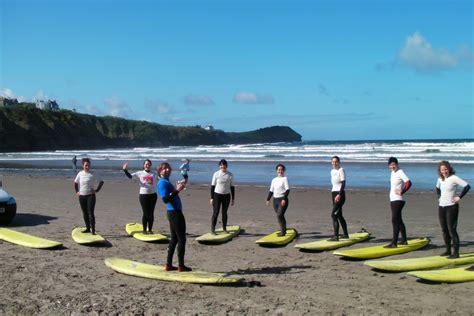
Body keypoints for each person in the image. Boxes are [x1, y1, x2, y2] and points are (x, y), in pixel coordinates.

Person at [157, 162, 191, 272]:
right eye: (164, 168)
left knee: (174, 239)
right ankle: (181, 266)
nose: (167, 170)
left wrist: (177, 187)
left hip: (173, 213)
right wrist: (177, 190)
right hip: (175, 213)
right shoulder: (162, 183)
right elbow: (165, 199)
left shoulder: (166, 181)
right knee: (181, 239)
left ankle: (168, 265)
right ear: (160, 171)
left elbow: (172, 194)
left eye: (168, 168)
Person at [436, 160, 470, 259]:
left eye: (446, 169)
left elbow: (467, 186)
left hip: (452, 207)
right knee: (444, 230)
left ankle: (456, 253)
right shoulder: (440, 179)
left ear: (449, 169)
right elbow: (437, 188)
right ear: (440, 170)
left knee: (452, 229)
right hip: (441, 207)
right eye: (442, 169)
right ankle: (447, 250)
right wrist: (439, 197)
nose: (444, 171)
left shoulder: (454, 178)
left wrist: (459, 197)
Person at [122, 159, 159, 234]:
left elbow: (162, 180)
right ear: (144, 165)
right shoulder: (139, 173)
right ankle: (144, 230)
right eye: (146, 164)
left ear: (150, 165)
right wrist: (125, 170)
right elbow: (130, 176)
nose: (147, 165)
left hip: (153, 195)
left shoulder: (154, 174)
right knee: (145, 213)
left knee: (151, 213)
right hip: (143, 196)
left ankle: (150, 230)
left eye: (149, 164)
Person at [384, 157, 412, 248]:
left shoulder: (400, 172)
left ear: (397, 164)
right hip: (393, 199)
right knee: (399, 220)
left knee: (394, 220)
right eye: (390, 165)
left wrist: (402, 191)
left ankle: (394, 243)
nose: (392, 166)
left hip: (398, 200)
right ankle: (404, 240)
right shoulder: (393, 173)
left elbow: (408, 182)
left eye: (394, 164)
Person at [74, 158, 104, 235]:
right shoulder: (80, 174)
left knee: (91, 213)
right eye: (86, 165)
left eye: (88, 165)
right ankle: (87, 228)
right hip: (82, 196)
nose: (87, 167)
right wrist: (77, 191)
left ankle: (93, 230)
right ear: (83, 166)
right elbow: (75, 183)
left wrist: (97, 190)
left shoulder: (93, 174)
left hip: (91, 196)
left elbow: (101, 181)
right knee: (85, 213)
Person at [210, 159, 235, 234]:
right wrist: (211, 198)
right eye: (221, 165)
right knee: (216, 212)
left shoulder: (230, 174)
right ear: (219, 166)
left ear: (226, 166)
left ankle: (224, 228)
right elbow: (212, 186)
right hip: (217, 195)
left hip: (227, 196)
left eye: (224, 165)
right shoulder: (216, 174)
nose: (222, 166)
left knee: (224, 213)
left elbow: (232, 187)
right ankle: (213, 229)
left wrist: (233, 199)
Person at [266, 164, 290, 237]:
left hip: (283, 200)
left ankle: (283, 232)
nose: (280, 171)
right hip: (275, 200)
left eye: (281, 169)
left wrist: (283, 199)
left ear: (284, 170)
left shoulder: (285, 179)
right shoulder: (274, 180)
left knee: (279, 215)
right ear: (276, 170)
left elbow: (287, 190)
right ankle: (283, 229)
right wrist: (268, 199)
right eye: (279, 169)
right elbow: (271, 191)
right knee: (280, 216)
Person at [329, 156, 349, 241]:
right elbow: (334, 185)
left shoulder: (341, 170)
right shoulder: (332, 171)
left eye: (336, 161)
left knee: (334, 215)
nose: (334, 163)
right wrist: (333, 196)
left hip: (340, 195)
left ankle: (336, 236)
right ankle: (345, 234)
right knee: (339, 215)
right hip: (334, 193)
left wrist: (339, 195)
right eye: (333, 162)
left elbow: (343, 184)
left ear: (339, 162)